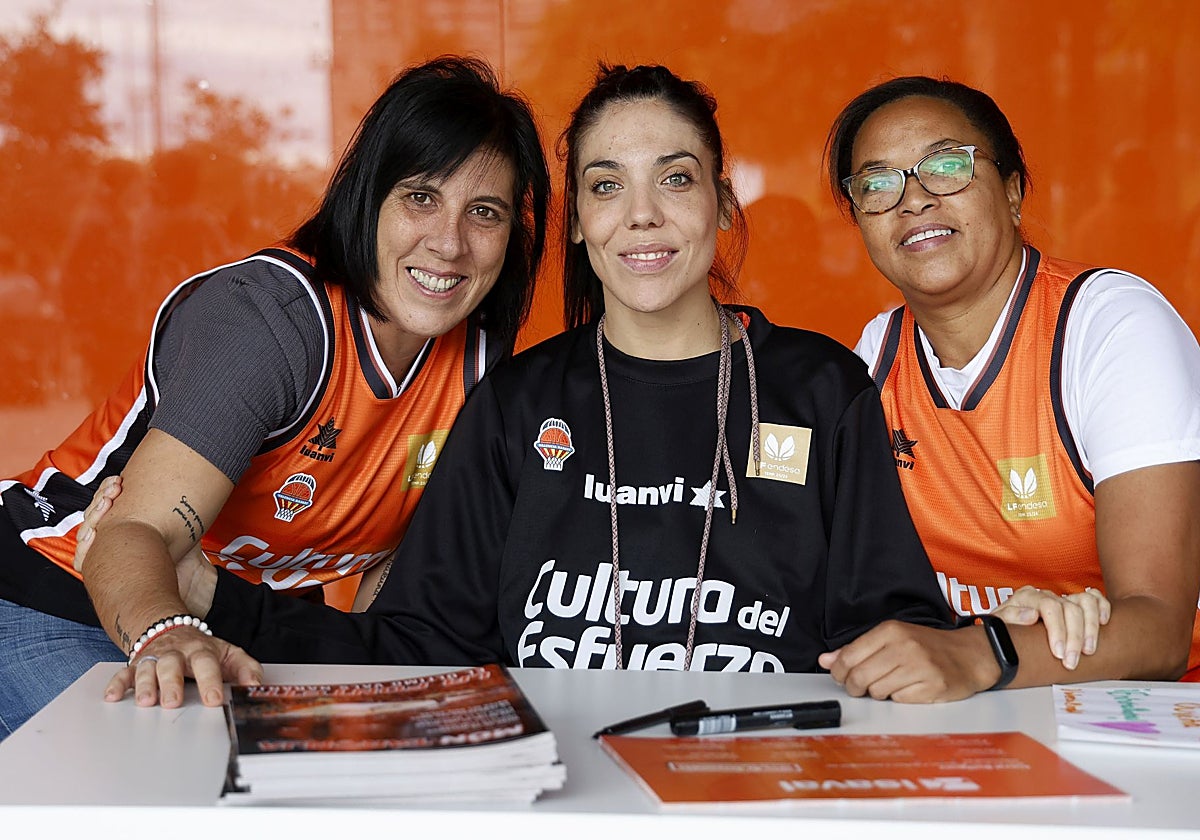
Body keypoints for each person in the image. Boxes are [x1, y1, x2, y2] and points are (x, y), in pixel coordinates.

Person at [86, 62, 998, 707]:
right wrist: (212, 598)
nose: (642, 214)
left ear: (723, 207)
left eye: (675, 180)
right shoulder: (517, 402)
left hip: (765, 774)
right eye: (606, 185)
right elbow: (418, 647)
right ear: (576, 227)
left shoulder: (822, 386)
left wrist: (1002, 635)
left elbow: (897, 633)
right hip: (553, 785)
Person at [0, 55, 550, 739]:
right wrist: (168, 633)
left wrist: (388, 699)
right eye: (420, 197)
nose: (449, 242)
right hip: (58, 593)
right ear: (366, 195)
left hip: (229, 623)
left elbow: (391, 579)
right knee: (187, 764)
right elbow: (133, 531)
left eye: (485, 213)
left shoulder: (477, 355)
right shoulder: (271, 323)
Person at [820, 75, 1200, 697]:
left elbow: (1162, 629)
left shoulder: (1109, 326)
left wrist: (983, 651)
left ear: (1014, 190)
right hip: (978, 714)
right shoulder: (875, 358)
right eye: (877, 184)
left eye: (946, 166)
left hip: (1152, 723)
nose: (913, 200)